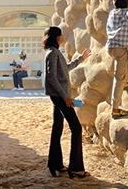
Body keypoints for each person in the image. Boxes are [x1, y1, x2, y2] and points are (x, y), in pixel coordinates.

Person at [43, 26, 91, 179]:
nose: (63, 37)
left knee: (57, 127)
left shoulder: (55, 52)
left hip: (59, 96)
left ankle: (55, 164)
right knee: (76, 128)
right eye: (61, 35)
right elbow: (51, 78)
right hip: (59, 96)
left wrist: (81, 59)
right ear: (57, 37)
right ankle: (76, 169)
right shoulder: (52, 53)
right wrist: (65, 97)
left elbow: (65, 69)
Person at [106, 0, 128, 119]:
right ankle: (115, 109)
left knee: (118, 74)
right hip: (121, 48)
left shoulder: (112, 13)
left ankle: (123, 82)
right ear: (127, 3)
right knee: (118, 79)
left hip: (110, 47)